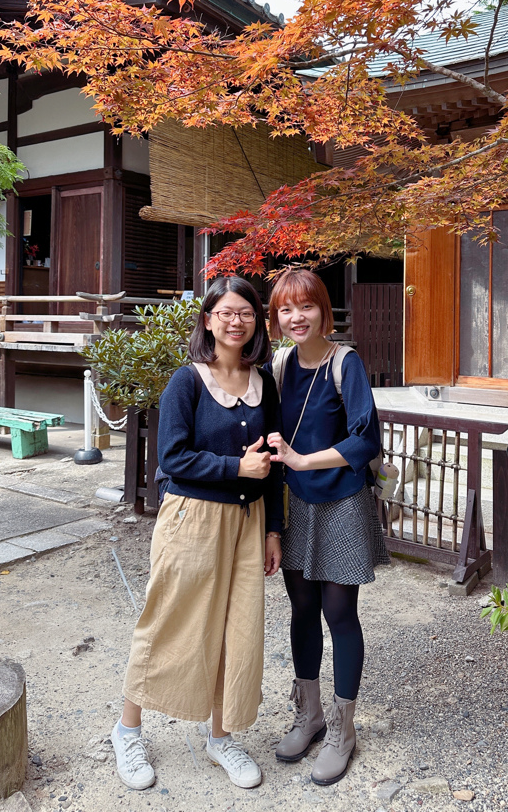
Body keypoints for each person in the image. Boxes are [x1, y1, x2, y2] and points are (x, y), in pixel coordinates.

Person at [111, 277, 283, 791]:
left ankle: (221, 736)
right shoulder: (187, 381)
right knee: (168, 620)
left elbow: (269, 463)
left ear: (257, 322)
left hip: (249, 524)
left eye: (247, 313)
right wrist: (236, 468)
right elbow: (172, 459)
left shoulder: (263, 382)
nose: (237, 321)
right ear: (208, 319)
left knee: (239, 629)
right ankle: (127, 730)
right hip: (193, 517)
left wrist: (274, 528)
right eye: (227, 312)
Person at [266, 268, 390, 786]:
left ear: (324, 310)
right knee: (302, 610)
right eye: (285, 310)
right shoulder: (278, 364)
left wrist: (302, 461)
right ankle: (309, 714)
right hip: (295, 505)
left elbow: (367, 438)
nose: (297, 317)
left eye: (306, 307)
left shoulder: (346, 363)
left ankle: (343, 729)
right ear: (275, 319)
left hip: (340, 501)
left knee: (339, 612)